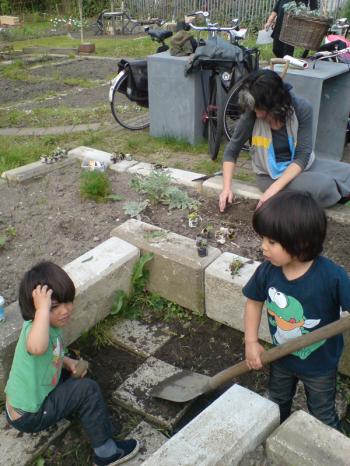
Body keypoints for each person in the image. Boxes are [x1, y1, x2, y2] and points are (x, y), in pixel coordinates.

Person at [5, 261, 139, 466]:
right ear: (36, 311)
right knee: (88, 389)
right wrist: (42, 309)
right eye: (54, 307)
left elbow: (49, 355)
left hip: (28, 400)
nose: (65, 311)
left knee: (75, 374)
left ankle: (87, 415)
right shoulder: (34, 333)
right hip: (30, 416)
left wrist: (66, 362)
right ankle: (106, 453)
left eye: (68, 302)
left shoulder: (48, 327)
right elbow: (39, 348)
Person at [242, 190, 350, 429]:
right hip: (280, 357)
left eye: (271, 242)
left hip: (320, 366)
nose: (263, 248)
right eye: (263, 239)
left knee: (322, 413)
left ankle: (331, 448)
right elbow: (253, 301)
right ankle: (274, 433)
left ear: (300, 243)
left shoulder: (332, 277)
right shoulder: (267, 271)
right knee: (276, 402)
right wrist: (251, 341)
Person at [219, 69, 350, 212]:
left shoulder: (302, 108)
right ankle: (334, 193)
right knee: (324, 187)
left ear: (272, 105)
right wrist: (226, 189)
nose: (255, 112)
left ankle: (333, 192)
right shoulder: (251, 115)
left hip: (302, 166)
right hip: (270, 175)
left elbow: (302, 155)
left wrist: (275, 190)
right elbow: (231, 152)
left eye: (258, 108)